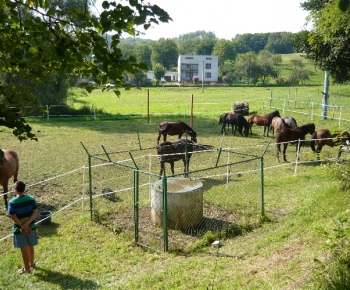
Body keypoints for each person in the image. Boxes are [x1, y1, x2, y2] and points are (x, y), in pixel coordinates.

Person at [8, 180, 38, 274]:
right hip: (31, 227)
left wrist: (23, 226)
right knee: (30, 246)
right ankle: (31, 263)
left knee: (24, 249)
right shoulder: (31, 198)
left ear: (15, 189)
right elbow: (35, 212)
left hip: (19, 229)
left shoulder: (12, 202)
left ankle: (27, 269)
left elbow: (13, 216)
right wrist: (28, 224)